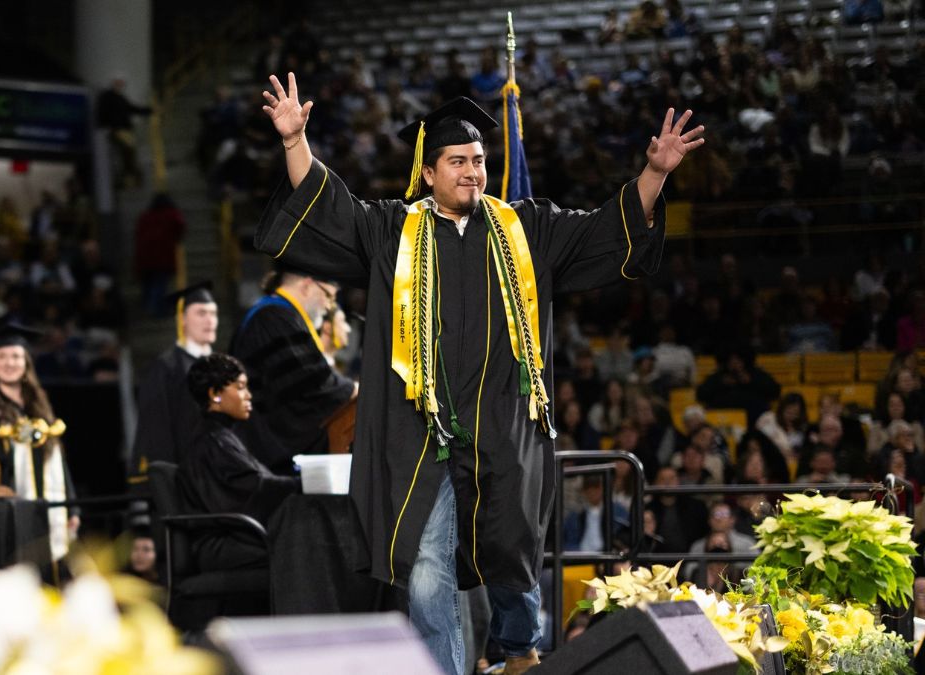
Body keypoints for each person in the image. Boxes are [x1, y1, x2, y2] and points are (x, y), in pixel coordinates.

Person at [256, 71, 702, 674]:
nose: (472, 171)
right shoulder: (393, 231)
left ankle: (518, 653)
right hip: (423, 434)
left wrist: (655, 173)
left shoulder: (525, 228)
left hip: (502, 426)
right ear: (428, 171)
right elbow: (331, 209)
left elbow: (602, 230)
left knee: (512, 553)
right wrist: (293, 142)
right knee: (428, 566)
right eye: (458, 160)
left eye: (479, 160)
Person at [0, 325, 79, 562]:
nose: (9, 363)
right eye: (2, 357)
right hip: (6, 511)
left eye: (16, 356)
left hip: (47, 507)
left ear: (26, 362)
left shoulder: (38, 403)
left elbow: (56, 456)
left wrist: (71, 507)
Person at [230, 263, 358, 472]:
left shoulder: (277, 315)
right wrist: (353, 390)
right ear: (307, 286)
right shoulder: (274, 318)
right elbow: (311, 384)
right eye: (328, 296)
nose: (329, 306)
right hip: (266, 455)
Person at [178, 353, 300, 571]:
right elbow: (254, 489)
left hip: (235, 538)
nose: (249, 395)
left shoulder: (220, 436)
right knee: (308, 546)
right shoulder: (212, 441)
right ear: (215, 394)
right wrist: (306, 484)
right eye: (240, 387)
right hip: (222, 545)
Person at [133, 282, 218, 472]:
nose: (210, 321)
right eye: (201, 313)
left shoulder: (222, 365)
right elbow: (156, 429)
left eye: (213, 313)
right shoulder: (166, 368)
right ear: (182, 319)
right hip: (185, 474)